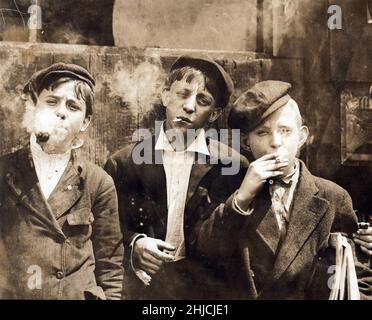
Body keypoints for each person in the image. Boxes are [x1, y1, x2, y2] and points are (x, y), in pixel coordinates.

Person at [192, 80, 372, 299]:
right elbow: (202, 253)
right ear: (247, 143)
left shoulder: (332, 196)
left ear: (302, 136)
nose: (275, 142)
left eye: (285, 130)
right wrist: (241, 199)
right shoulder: (228, 189)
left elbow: (358, 280)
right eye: (262, 133)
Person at [104, 55, 248, 299]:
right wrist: (134, 244)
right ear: (165, 96)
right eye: (183, 94)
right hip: (144, 290)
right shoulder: (125, 163)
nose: (190, 106)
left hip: (207, 294)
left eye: (203, 100)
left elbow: (237, 242)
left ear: (214, 114)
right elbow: (105, 230)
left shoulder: (231, 166)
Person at [0, 63, 124, 299]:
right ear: (34, 108)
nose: (61, 111)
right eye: (51, 101)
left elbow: (110, 266)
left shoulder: (98, 182)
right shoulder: (4, 171)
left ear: (85, 122)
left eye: (73, 106)